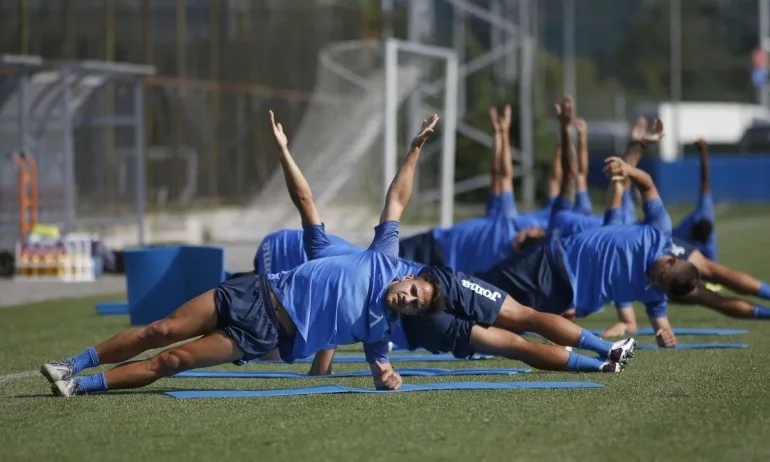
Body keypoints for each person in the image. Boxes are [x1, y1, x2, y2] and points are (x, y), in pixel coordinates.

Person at [40, 111, 445, 397]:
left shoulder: (381, 331)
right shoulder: (378, 258)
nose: (407, 300)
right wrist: (414, 149)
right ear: (405, 277)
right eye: (413, 292)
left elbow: (381, 373)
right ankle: (71, 365)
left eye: (413, 306)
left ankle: (80, 386)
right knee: (158, 331)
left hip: (263, 333)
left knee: (172, 361)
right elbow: (354, 200)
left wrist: (389, 378)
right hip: (251, 292)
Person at [246, 226, 636, 375]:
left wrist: (321, 369)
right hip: (435, 285)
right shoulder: (322, 248)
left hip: (418, 317)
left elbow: (331, 325)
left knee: (514, 345)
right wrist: (415, 150)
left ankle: (599, 366)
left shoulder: (313, 274)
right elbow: (309, 203)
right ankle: (605, 349)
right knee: (526, 319)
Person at [476, 98, 700, 348]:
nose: (655, 280)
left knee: (502, 320)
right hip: (550, 263)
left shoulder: (653, 288)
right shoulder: (653, 232)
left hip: (564, 297)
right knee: (481, 291)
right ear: (671, 260)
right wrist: (630, 157)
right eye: (661, 276)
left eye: (661, 284)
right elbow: (625, 181)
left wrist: (665, 335)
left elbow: (662, 324)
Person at [398, 105, 522, 273]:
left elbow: (502, 175)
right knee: (380, 260)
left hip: (441, 272)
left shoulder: (508, 265)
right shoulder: (508, 222)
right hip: (433, 244)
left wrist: (502, 134)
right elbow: (500, 175)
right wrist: (501, 134)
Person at [672, 139, 717, 261]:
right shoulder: (704, 212)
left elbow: (714, 270)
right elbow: (705, 181)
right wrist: (703, 153)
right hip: (669, 237)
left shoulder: (708, 248)